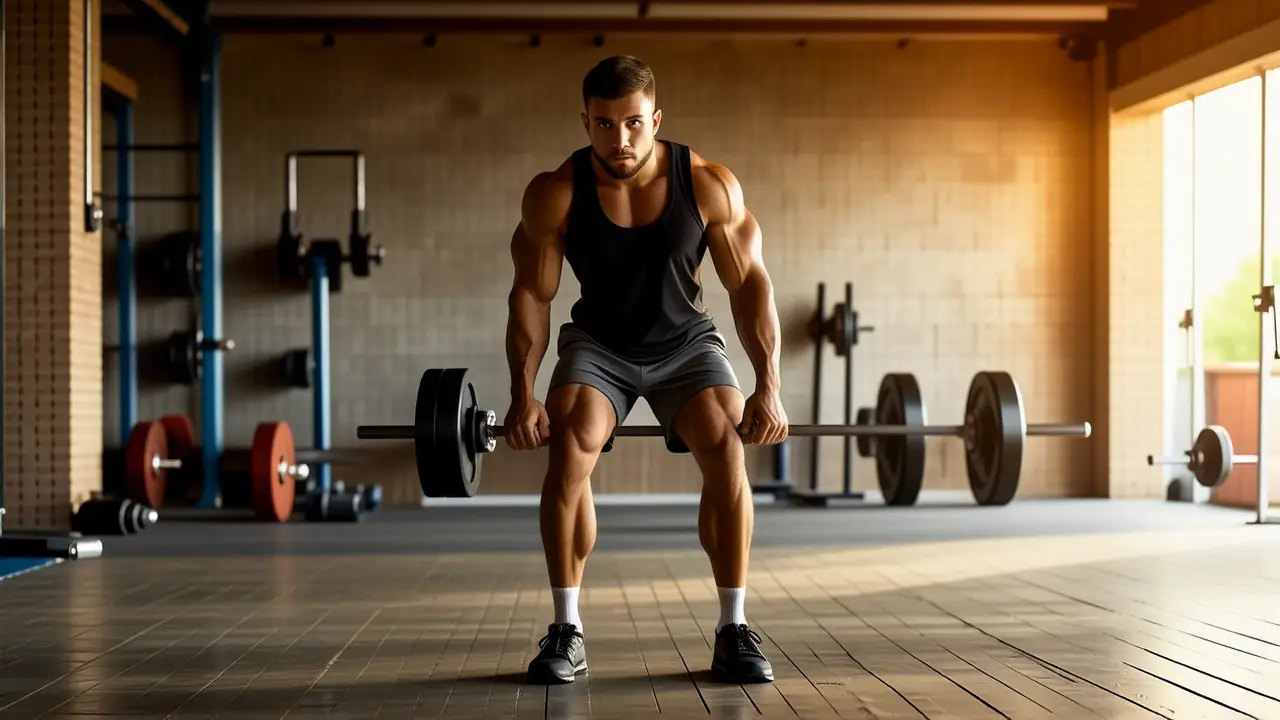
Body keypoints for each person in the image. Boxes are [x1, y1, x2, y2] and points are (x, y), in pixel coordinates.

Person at [504, 55, 788, 686]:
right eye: (604, 125)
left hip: (686, 343)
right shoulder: (555, 192)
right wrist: (523, 395)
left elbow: (750, 287)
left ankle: (733, 627)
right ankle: (566, 629)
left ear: (655, 118)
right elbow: (531, 294)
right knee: (571, 441)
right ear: (585, 122)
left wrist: (768, 385)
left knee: (726, 440)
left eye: (633, 123)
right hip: (599, 345)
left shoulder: (709, 183)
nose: (620, 139)